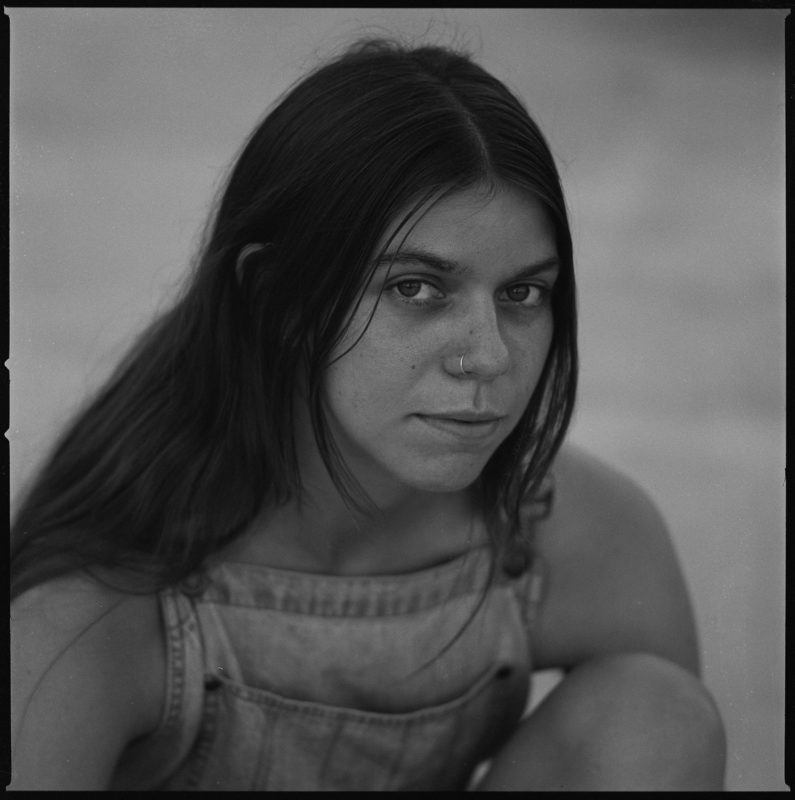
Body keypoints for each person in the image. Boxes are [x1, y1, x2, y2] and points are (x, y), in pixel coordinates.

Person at [9, 36, 726, 791]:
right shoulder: (89, 617)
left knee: (658, 715)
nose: (487, 356)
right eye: (416, 288)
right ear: (275, 297)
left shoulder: (572, 535)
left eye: (522, 294)